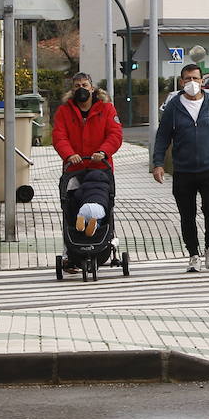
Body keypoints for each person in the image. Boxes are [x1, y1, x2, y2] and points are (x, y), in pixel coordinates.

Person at [152, 64, 209, 272]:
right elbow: (163, 136)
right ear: (182, 82)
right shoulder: (174, 106)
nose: (192, 83)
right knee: (187, 214)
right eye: (188, 79)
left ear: (202, 81)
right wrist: (158, 164)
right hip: (183, 170)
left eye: (195, 78)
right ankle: (193, 253)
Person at [52, 73, 123, 275]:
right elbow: (59, 136)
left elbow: (115, 134)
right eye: (77, 86)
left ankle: (102, 240)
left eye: (84, 85)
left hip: (100, 167)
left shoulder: (106, 109)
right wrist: (69, 154)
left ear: (92, 88)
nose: (81, 88)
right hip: (74, 169)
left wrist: (103, 152)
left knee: (102, 201)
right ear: (72, 89)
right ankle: (71, 253)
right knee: (70, 206)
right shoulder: (64, 112)